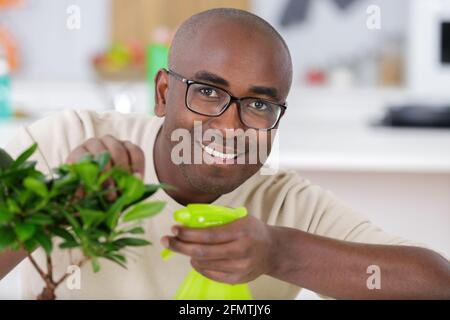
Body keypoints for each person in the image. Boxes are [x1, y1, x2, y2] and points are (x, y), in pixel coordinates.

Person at [1, 8, 449, 299]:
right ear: (162, 93)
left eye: (259, 105)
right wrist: (58, 198)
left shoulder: (285, 204)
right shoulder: (70, 141)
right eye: (208, 91)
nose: (230, 126)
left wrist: (279, 253)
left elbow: (436, 285)